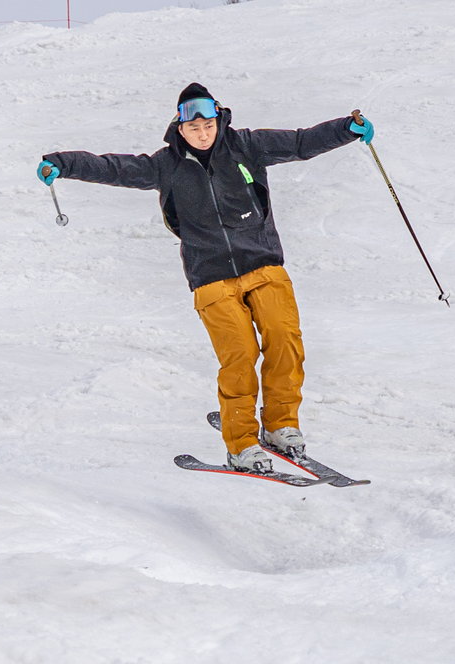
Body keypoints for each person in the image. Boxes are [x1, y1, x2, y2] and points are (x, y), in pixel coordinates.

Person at [37, 83, 373, 473]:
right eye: (193, 127)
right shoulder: (165, 165)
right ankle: (242, 443)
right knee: (240, 355)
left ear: (219, 120)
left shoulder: (247, 146)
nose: (202, 133)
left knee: (285, 340)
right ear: (179, 128)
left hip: (263, 264)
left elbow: (300, 142)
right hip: (210, 276)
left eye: (208, 125)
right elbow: (112, 168)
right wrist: (62, 162)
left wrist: (346, 129)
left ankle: (281, 425)